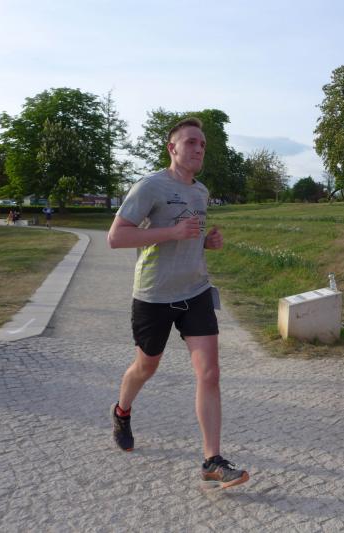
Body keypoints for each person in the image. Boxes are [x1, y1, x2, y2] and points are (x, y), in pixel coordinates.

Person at [107, 117, 249, 489]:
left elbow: (189, 237)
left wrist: (206, 243)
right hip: (154, 294)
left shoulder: (201, 191)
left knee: (210, 373)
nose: (199, 148)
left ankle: (212, 460)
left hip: (195, 290)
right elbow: (116, 237)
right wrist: (171, 232)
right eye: (190, 142)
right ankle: (122, 411)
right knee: (146, 366)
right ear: (172, 148)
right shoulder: (150, 186)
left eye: (202, 144)